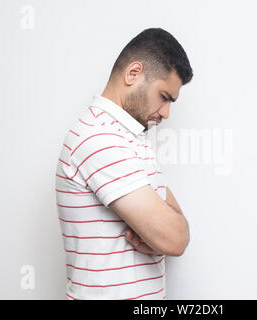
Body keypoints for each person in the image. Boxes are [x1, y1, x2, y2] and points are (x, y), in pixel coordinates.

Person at [55, 27, 193, 300]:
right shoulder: (100, 139)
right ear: (133, 73)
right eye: (164, 97)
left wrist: (162, 235)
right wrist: (161, 237)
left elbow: (178, 231)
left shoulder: (128, 138)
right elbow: (176, 240)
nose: (165, 113)